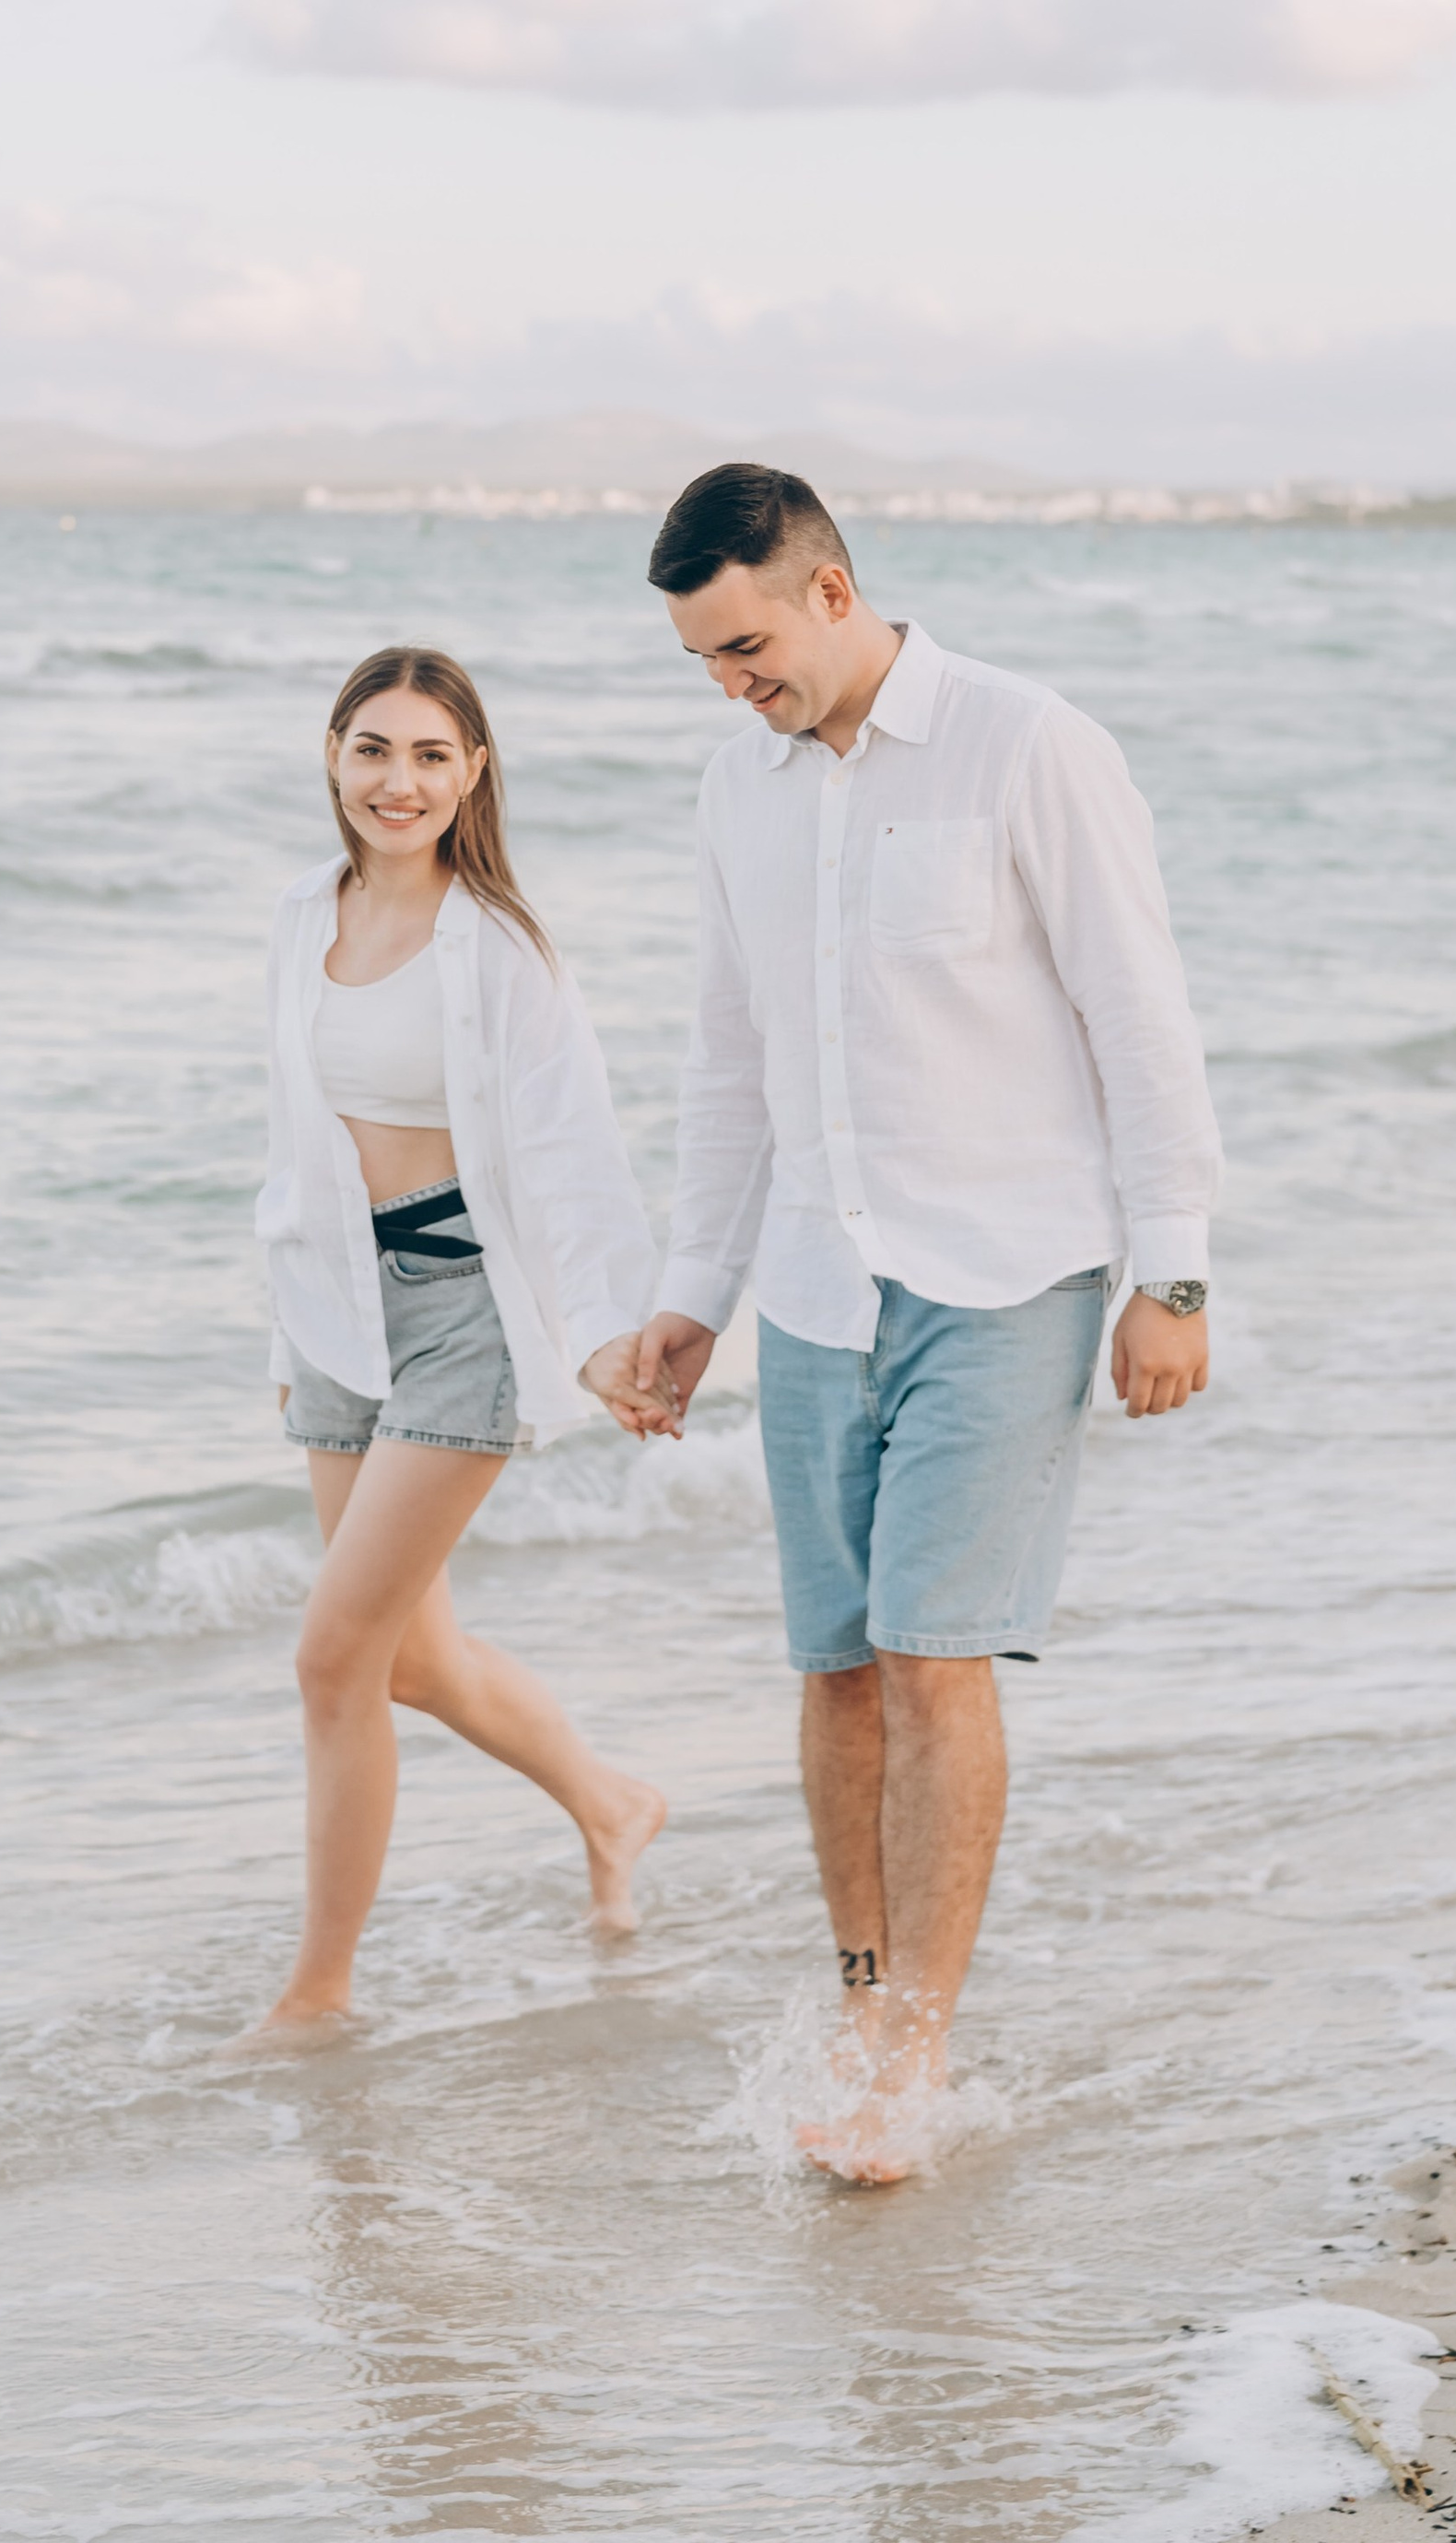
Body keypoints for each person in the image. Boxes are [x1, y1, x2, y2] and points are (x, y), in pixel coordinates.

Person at [593, 466, 1221, 2180]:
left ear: (831, 589)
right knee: (841, 1668)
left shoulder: (1029, 745)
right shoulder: (738, 788)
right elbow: (730, 1061)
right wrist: (692, 1296)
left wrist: (1172, 1273)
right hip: (813, 1285)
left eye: (745, 649)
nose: (731, 687)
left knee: (937, 1655)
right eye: (702, 663)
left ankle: (915, 2056)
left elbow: (1140, 1015)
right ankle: (864, 2004)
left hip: (1006, 1271)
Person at [249, 643, 667, 2035]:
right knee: (411, 1662)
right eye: (374, 749)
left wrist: (605, 1336)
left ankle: (318, 1995)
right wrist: (289, 1331)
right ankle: (612, 1803)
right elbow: (295, 1142)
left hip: (461, 1318)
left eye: (432, 755)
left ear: (473, 772)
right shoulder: (300, 915)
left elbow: (572, 1150)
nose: (400, 781)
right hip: (333, 1313)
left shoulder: (498, 949)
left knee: (334, 1661)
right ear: (333, 756)